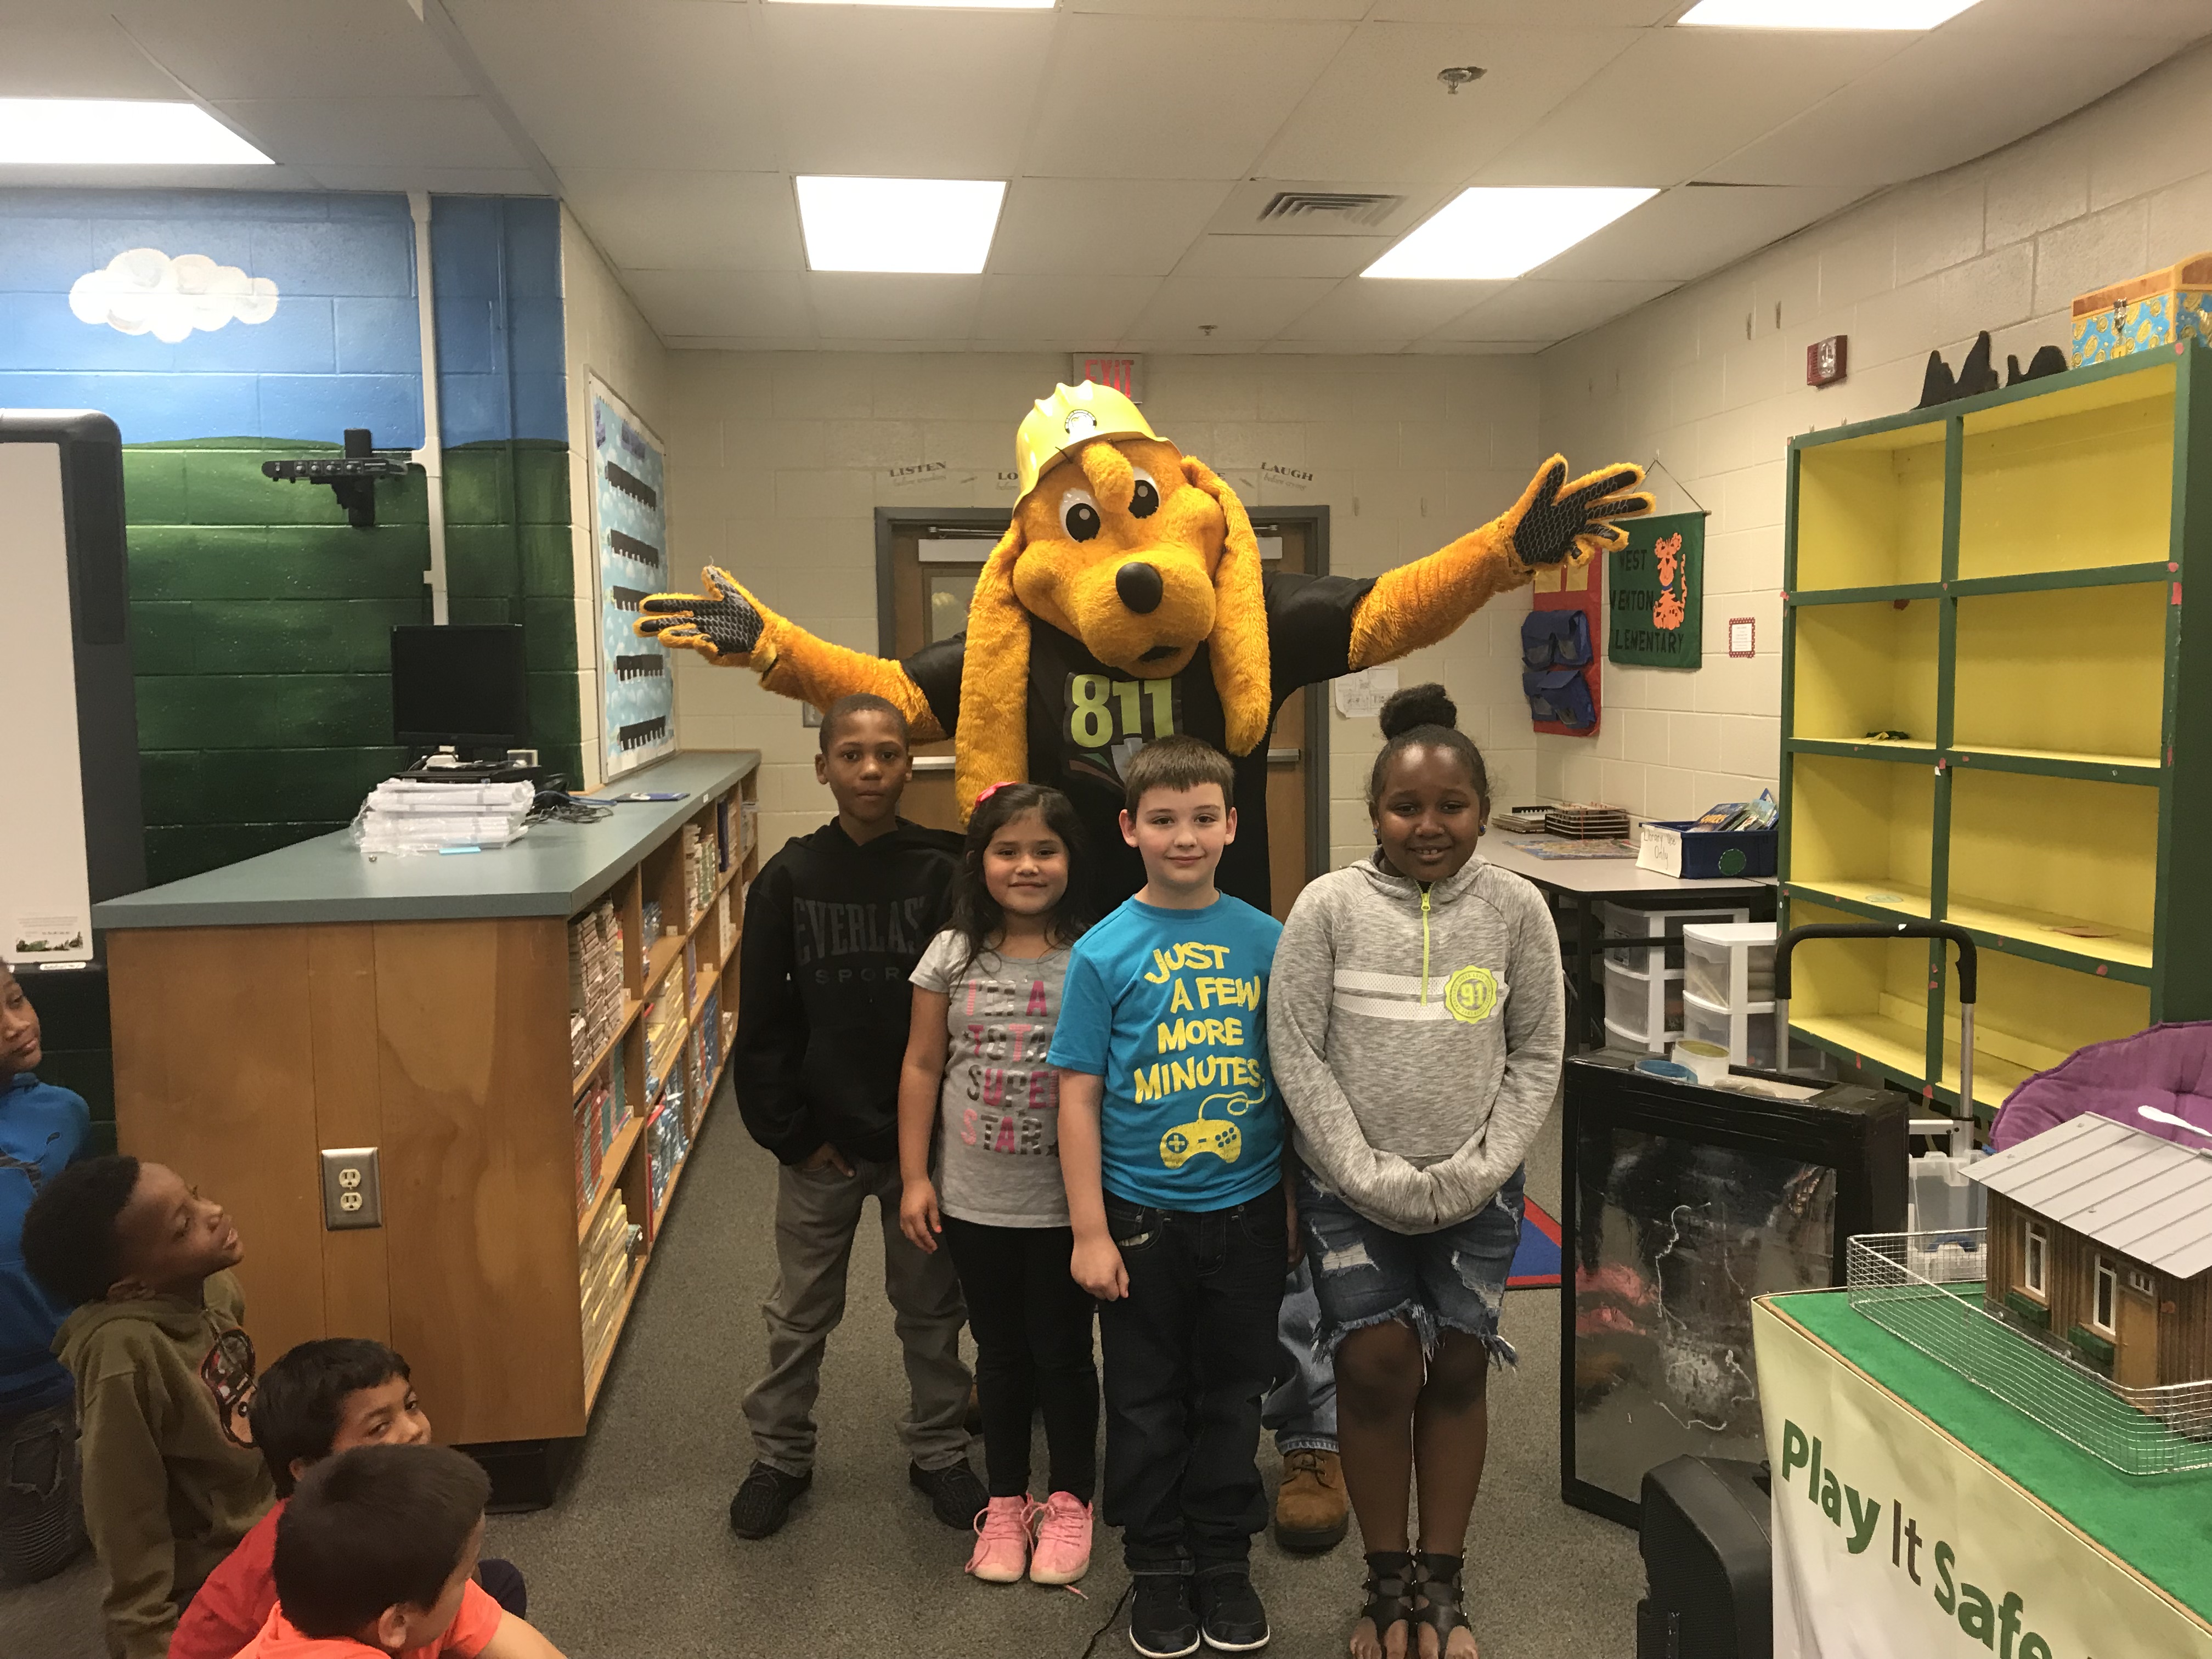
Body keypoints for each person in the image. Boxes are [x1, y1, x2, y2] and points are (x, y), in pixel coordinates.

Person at [1266, 684, 1564, 1659]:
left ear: (1482, 809)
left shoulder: (1517, 909)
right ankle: (1385, 1582)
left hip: (1479, 1184)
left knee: (1462, 1366)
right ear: (1374, 812)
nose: (1428, 825)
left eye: (1451, 805)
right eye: (1406, 806)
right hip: (1348, 1186)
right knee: (1374, 1363)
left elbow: (1536, 1053)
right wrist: (1360, 1170)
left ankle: (1442, 1586)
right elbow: (1296, 1050)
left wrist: (1481, 1169)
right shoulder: (1327, 907)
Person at [1049, 735, 1291, 1659]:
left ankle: (1223, 1556)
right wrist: (1089, 1230)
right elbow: (1076, 1096)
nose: (1183, 836)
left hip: (1247, 1211)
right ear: (1129, 828)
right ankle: (1155, 1561)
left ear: (1231, 826)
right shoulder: (1102, 951)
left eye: (1201, 818)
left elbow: (1291, 1081)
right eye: (1162, 819)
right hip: (1139, 1219)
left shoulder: (1267, 940)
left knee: (1234, 1392)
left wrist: (1291, 1206)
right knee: (1147, 1398)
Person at [727, 692, 983, 1540]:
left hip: (923, 1149)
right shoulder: (788, 880)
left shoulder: (945, 873)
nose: (871, 770)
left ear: (910, 767)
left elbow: (970, 1009)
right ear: (823, 768)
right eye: (852, 756)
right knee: (799, 1311)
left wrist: (943, 1139)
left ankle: (939, 1451)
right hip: (822, 1145)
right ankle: (780, 1456)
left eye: (888, 755)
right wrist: (794, 1137)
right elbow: (762, 1023)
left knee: (932, 1309)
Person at [896, 782, 1098, 1587]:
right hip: (975, 1201)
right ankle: (1008, 1502)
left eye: (1045, 850)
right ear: (979, 861)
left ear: (1072, 860)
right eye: (1007, 851)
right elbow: (921, 1066)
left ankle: (1071, 1500)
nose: (1027, 866)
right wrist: (915, 1176)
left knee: (1065, 1354)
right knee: (1002, 1355)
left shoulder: (1094, 952)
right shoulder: (951, 954)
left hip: (1066, 1206)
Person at [20, 1155, 275, 1658]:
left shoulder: (215, 1289)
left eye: (195, 1196)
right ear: (133, 1288)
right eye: (184, 1227)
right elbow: (123, 1509)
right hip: (206, 1578)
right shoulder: (123, 1356)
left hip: (267, 1530)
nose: (214, 1212)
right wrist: (147, 1633)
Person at [172, 1338, 529, 1659]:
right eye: (379, 1428)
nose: (413, 1430)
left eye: (411, 1406)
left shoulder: (387, 1509)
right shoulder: (303, 1563)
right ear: (308, 1469)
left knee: (496, 1584)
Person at [236, 1443, 565, 1658]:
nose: (471, 1584)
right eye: (464, 1576)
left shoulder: (381, 1601)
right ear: (397, 1622)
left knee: (503, 1583)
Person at [0, 964, 91, 1585]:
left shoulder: (61, 1112)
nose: (16, 1025)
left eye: (17, 999)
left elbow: (82, 1238)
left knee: (35, 1561)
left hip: (36, 1383)